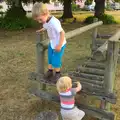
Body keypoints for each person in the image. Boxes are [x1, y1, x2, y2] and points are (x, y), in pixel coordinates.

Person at [32, 2, 66, 83]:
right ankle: (50, 71)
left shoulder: (54, 22)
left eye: (40, 19)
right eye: (38, 20)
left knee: (56, 59)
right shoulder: (46, 20)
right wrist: (42, 29)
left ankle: (58, 74)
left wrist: (59, 45)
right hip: (52, 43)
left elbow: (62, 33)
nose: (40, 22)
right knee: (50, 58)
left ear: (46, 13)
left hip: (59, 44)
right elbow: (47, 26)